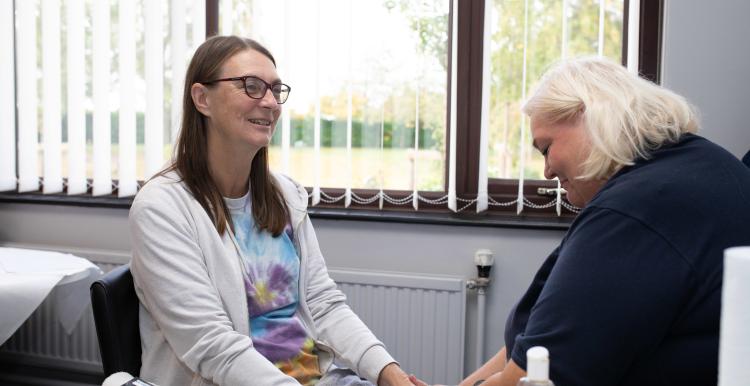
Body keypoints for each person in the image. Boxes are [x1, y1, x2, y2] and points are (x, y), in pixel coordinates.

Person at [129, 35, 419, 386]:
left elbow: (323, 304)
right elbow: (211, 345)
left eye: (275, 89)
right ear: (202, 98)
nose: (270, 102)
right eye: (251, 87)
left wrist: (387, 371)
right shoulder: (162, 208)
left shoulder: (284, 195)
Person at [456, 57, 750, 386]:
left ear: (588, 115)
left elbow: (539, 372)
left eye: (546, 148)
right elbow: (535, 341)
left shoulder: (635, 211)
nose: (547, 171)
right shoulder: (701, 164)